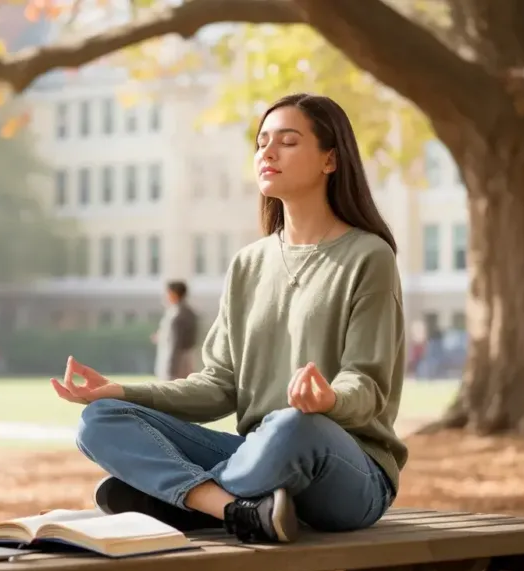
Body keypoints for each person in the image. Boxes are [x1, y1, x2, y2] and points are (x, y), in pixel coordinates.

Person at [51, 93, 408, 544]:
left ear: (330, 159)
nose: (268, 153)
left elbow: (368, 384)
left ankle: (179, 497)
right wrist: (121, 392)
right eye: (261, 143)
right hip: (257, 457)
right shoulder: (248, 264)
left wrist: (329, 400)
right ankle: (234, 510)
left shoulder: (369, 256)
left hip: (345, 468)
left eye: (288, 142)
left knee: (292, 425)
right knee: (100, 419)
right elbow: (218, 386)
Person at [151, 280, 199, 380]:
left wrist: (171, 368)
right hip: (179, 358)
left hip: (177, 361)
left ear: (173, 294)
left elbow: (176, 342)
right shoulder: (181, 311)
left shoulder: (178, 314)